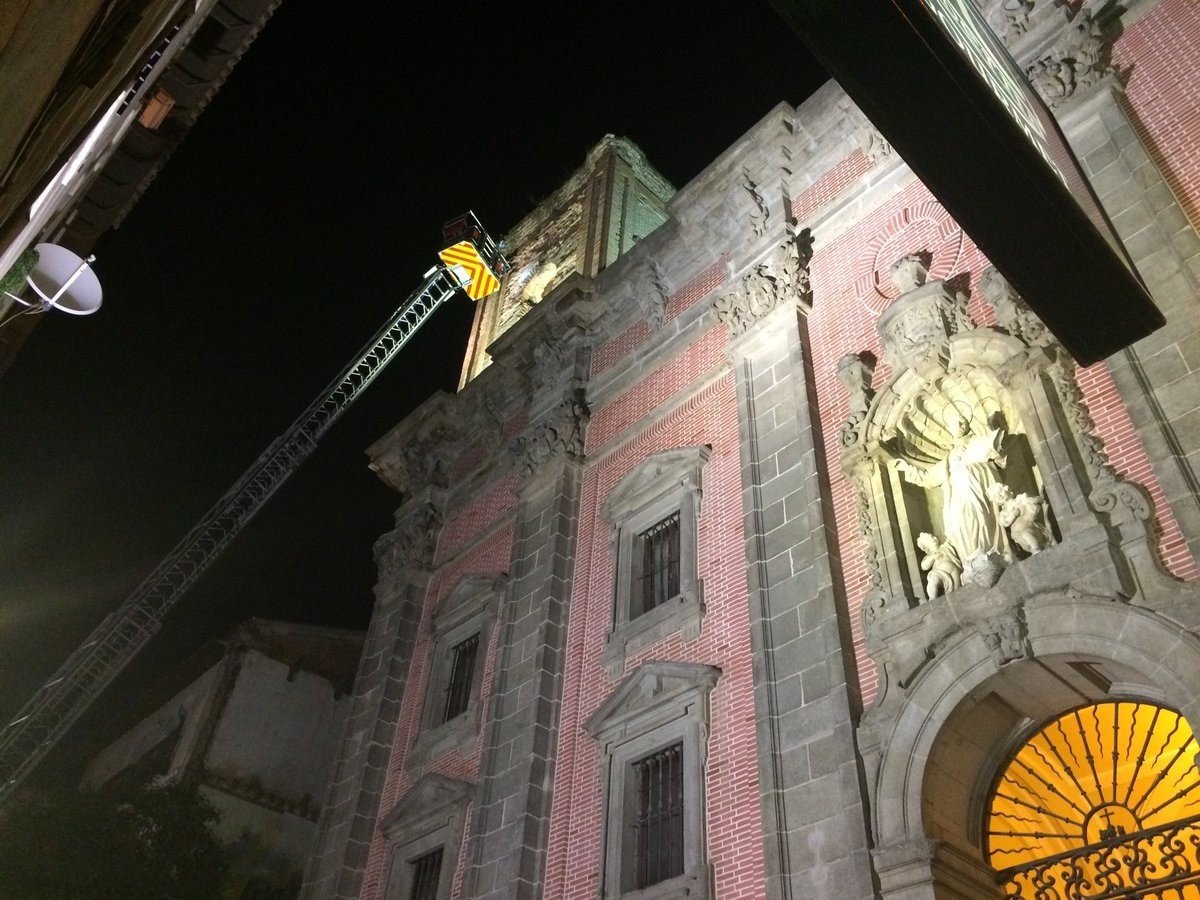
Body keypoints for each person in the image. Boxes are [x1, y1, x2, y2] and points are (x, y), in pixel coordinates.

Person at [895, 411, 1012, 575]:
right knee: (960, 523)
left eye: (962, 422)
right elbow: (929, 477)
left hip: (978, 491)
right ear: (949, 428)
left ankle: (990, 552)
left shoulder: (978, 442)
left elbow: (1000, 459)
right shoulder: (948, 458)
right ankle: (972, 560)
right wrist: (907, 468)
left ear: (968, 425)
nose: (960, 426)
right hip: (958, 498)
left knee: (981, 517)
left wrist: (997, 447)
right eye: (956, 423)